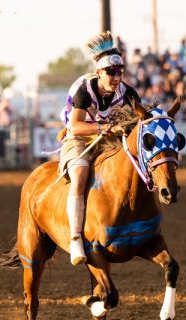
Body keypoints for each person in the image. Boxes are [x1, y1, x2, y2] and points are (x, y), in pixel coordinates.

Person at [59, 31, 141, 266]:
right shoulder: (84, 89)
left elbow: (141, 117)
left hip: (107, 136)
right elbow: (75, 125)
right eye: (111, 72)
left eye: (120, 72)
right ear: (99, 73)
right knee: (80, 175)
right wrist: (104, 128)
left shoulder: (127, 92)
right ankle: (75, 237)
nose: (117, 77)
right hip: (78, 137)